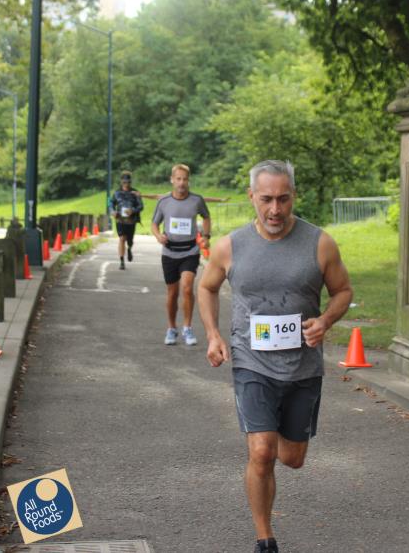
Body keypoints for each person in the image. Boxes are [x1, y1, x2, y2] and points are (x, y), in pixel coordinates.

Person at [198, 160, 353, 553]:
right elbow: (207, 287)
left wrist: (325, 320)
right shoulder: (230, 246)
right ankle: (264, 538)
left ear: (293, 196)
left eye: (283, 199)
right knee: (262, 451)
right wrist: (214, 335)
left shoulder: (319, 243)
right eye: (266, 199)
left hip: (302, 366)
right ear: (251, 196)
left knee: (292, 458)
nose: (274, 209)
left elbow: (343, 291)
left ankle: (282, 436)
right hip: (251, 362)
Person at [151, 163, 211, 346]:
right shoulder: (164, 201)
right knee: (172, 293)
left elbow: (206, 217)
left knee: (186, 287)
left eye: (185, 179)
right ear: (172, 180)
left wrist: (206, 236)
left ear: (188, 180)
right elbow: (154, 224)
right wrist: (158, 236)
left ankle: (187, 327)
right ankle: (171, 328)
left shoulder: (197, 200)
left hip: (190, 251)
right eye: (178, 179)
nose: (181, 182)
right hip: (169, 252)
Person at [110, 171, 144, 270]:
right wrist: (112, 211)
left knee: (130, 241)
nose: (126, 184)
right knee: (122, 239)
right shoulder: (116, 193)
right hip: (120, 220)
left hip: (131, 221)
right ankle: (122, 262)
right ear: (121, 182)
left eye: (128, 182)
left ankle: (129, 248)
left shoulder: (135, 193)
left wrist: (132, 210)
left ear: (130, 182)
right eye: (124, 182)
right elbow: (111, 204)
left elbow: (141, 206)